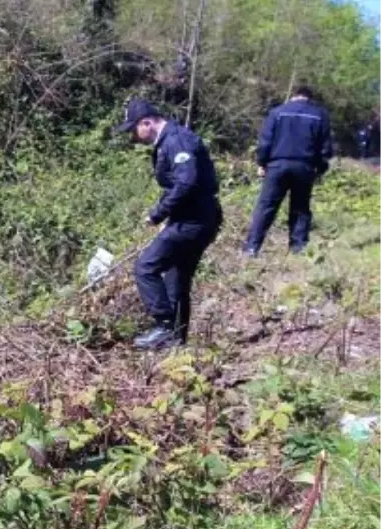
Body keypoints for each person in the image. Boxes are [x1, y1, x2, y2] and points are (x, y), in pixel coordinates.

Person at [115, 98, 222, 351]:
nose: (134, 136)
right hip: (194, 218)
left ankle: (163, 326)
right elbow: (179, 185)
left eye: (134, 129)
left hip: (194, 220)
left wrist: (158, 214)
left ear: (147, 122)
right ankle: (176, 341)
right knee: (177, 278)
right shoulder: (169, 140)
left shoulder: (175, 140)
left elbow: (187, 182)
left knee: (145, 267)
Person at [244, 85, 334, 256]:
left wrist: (262, 163)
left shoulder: (277, 112)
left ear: (293, 96)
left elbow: (265, 142)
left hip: (277, 165)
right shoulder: (320, 115)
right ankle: (298, 249)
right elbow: (325, 149)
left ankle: (252, 247)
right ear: (310, 97)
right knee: (300, 208)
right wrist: (319, 169)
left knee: (266, 207)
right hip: (304, 167)